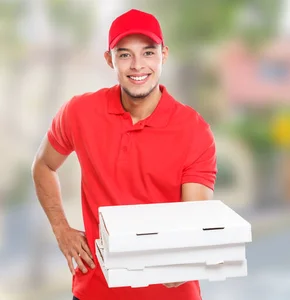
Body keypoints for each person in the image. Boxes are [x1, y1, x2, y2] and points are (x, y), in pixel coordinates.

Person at [31, 9, 217, 300]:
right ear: (109, 59)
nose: (138, 65)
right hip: (94, 291)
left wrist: (181, 265)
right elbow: (43, 164)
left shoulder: (194, 131)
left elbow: (193, 220)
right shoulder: (79, 113)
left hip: (169, 295)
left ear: (163, 55)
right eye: (125, 54)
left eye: (148, 52)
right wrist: (61, 229)